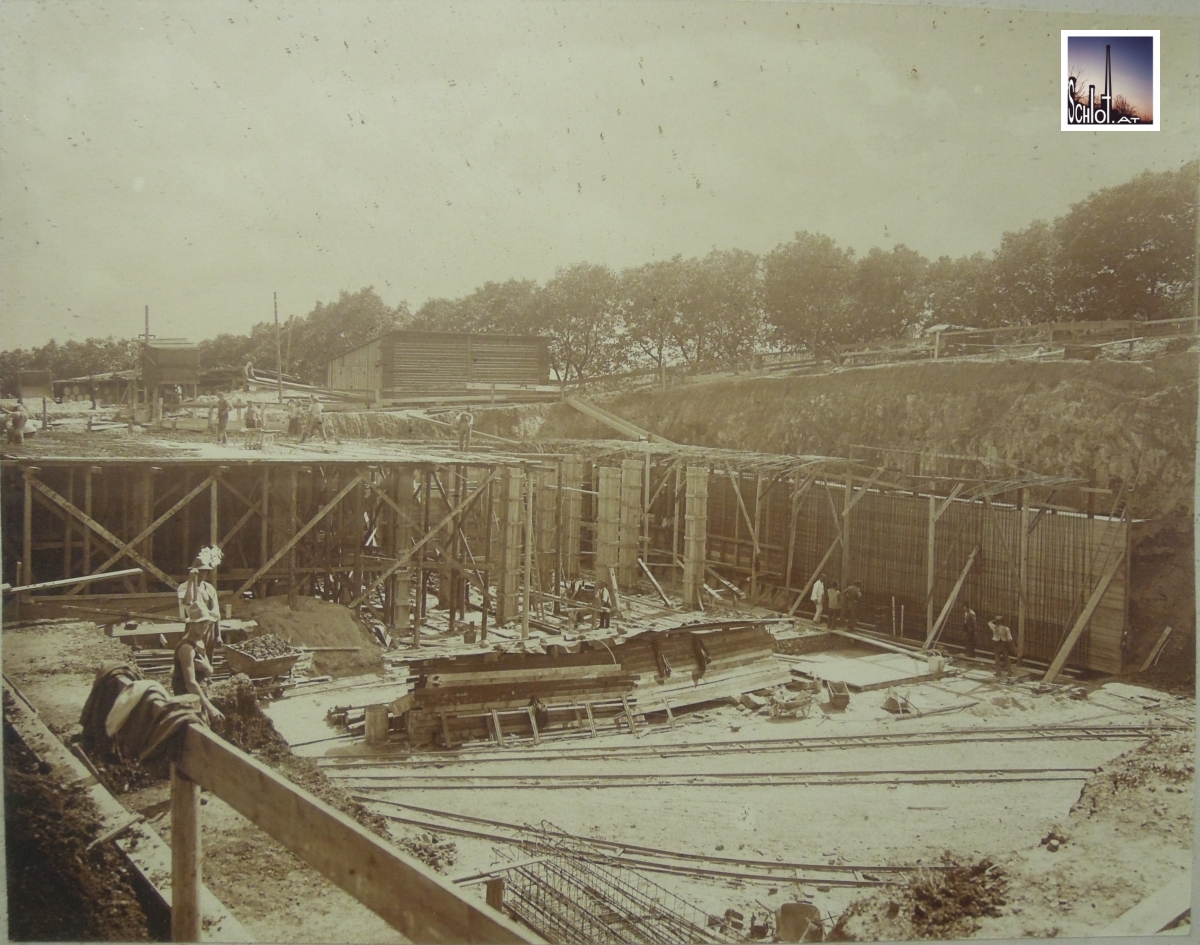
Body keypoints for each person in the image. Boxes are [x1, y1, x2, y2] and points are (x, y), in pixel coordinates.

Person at [174, 560, 225, 723]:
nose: (203, 574)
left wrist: (217, 633)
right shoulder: (185, 587)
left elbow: (216, 613)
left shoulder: (210, 589)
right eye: (200, 571)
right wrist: (191, 580)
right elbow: (188, 603)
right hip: (189, 698)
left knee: (204, 668)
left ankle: (206, 690)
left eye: (205, 571)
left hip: (205, 636)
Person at [988, 614, 1013, 680]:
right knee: (1007, 658)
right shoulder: (1006, 628)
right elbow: (1010, 639)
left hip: (996, 644)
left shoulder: (994, 627)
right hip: (1003, 644)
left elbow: (989, 623)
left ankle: (998, 673)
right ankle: (1010, 672)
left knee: (997, 659)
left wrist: (994, 620)